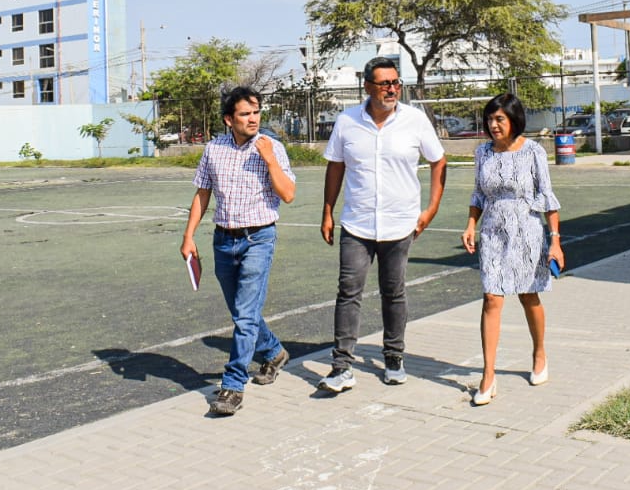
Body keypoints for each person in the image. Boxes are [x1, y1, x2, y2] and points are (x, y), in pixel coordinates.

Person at [317, 57, 447, 393]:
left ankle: (393, 358)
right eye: (384, 83)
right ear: (368, 86)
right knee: (349, 292)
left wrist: (431, 208)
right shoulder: (347, 121)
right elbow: (335, 167)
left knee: (394, 292)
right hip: (357, 225)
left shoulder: (415, 121)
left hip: (400, 223)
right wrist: (327, 210)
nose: (391, 89)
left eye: (395, 82)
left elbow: (438, 160)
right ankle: (341, 366)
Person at [180, 86, 295, 417]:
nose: (253, 118)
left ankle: (233, 385)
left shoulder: (272, 147)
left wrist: (270, 159)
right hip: (223, 241)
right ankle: (273, 352)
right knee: (242, 312)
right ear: (229, 119)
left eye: (256, 111)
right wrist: (188, 236)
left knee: (245, 315)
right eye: (245, 114)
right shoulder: (214, 150)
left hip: (259, 238)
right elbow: (203, 194)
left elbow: (288, 194)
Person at [460, 93, 564, 406]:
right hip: (492, 232)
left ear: (514, 120)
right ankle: (488, 375)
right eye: (490, 119)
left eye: (500, 119)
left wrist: (555, 240)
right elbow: (479, 194)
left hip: (528, 230)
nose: (493, 125)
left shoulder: (533, 151)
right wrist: (470, 225)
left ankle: (540, 352)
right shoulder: (482, 153)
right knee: (491, 297)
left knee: (529, 295)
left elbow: (547, 197)